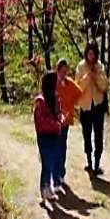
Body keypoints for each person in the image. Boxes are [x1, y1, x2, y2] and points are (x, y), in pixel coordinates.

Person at [75, 42, 110, 175]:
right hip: (85, 107)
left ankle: (97, 164)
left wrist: (95, 76)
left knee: (98, 135)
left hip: (98, 106)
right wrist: (86, 77)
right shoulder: (81, 66)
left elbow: (104, 86)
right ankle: (89, 162)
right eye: (89, 53)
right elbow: (77, 87)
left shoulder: (99, 66)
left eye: (93, 54)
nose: (91, 56)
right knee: (87, 134)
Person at [33, 71, 65, 206]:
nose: (58, 83)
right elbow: (41, 121)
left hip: (55, 134)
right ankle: (44, 189)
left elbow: (58, 113)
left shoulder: (55, 98)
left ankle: (49, 188)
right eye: (55, 81)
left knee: (52, 162)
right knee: (46, 163)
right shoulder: (40, 102)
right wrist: (55, 123)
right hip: (44, 136)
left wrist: (61, 119)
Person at [55, 58, 83, 183]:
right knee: (55, 146)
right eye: (62, 71)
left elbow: (79, 92)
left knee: (62, 146)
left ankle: (61, 172)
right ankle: (55, 172)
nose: (64, 74)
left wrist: (72, 105)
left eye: (66, 72)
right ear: (57, 71)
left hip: (65, 120)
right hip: (55, 120)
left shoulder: (69, 83)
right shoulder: (53, 83)